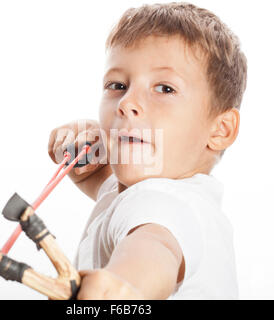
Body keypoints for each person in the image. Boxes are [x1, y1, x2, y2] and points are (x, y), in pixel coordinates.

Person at [48, 2, 247, 299]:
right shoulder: (161, 191)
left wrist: (124, 288)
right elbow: (107, 189)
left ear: (220, 129)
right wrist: (84, 156)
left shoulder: (160, 203)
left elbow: (155, 248)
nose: (126, 103)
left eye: (164, 89)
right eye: (117, 85)